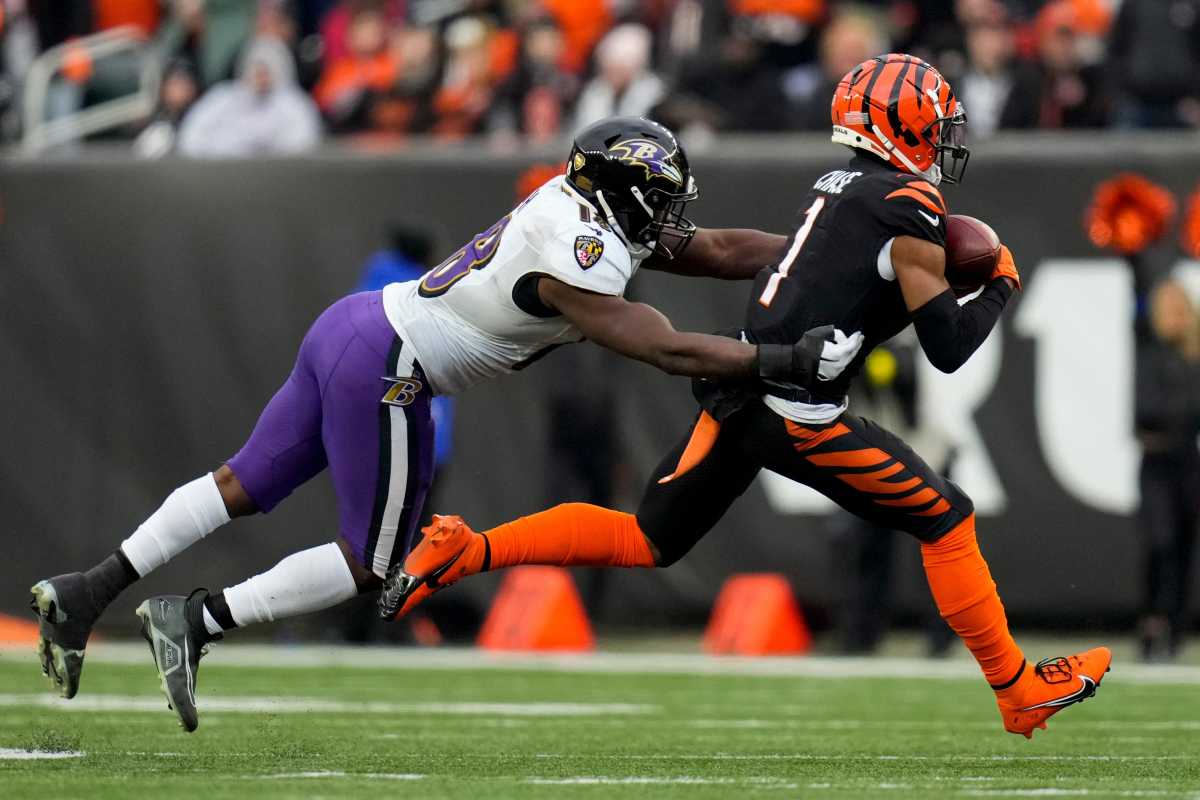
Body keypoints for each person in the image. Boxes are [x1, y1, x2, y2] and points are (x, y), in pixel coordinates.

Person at [29, 116, 862, 731]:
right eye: (662, 200)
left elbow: (712, 248)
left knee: (244, 484)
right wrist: (782, 363)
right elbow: (669, 350)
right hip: (389, 362)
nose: (673, 216)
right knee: (375, 562)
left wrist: (818, 248)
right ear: (620, 196)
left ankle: (88, 589)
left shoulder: (587, 213)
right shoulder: (576, 250)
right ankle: (196, 621)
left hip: (354, 324)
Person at [391, 55, 1113, 740]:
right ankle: (1017, 689)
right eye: (935, 121)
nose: (945, 137)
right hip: (795, 410)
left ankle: (469, 549)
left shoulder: (839, 187)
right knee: (946, 516)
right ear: (903, 126)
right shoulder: (907, 203)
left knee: (649, 537)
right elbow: (949, 348)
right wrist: (999, 284)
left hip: (741, 388)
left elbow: (829, 275)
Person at [1135, 280, 1200, 660]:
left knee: (1184, 546)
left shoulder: (1194, 358)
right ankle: (1151, 619)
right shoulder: (1147, 347)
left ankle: (1175, 626)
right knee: (1160, 542)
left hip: (1188, 463)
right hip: (1156, 460)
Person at [177, 36, 321, 156]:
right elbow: (190, 139)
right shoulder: (222, 97)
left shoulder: (294, 103)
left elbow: (306, 140)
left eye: (267, 71)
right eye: (257, 70)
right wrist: (234, 148)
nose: (261, 77)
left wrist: (265, 148)